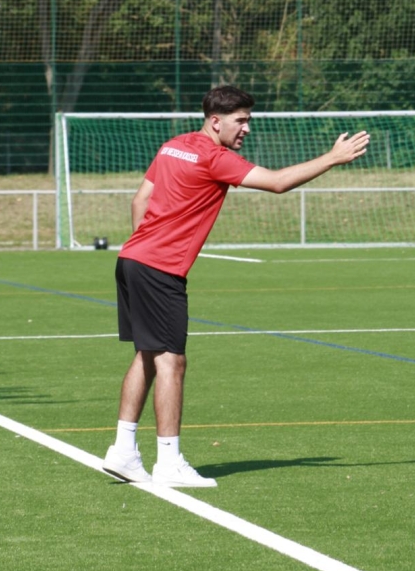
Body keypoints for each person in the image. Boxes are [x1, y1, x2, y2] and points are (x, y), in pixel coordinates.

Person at [101, 85, 370, 489]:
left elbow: (140, 201)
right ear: (216, 121)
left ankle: (123, 452)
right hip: (158, 268)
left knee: (148, 355)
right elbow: (277, 182)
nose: (246, 128)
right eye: (240, 121)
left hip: (132, 260)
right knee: (172, 361)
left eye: (248, 120)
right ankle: (168, 462)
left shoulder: (173, 146)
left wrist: (147, 244)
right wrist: (332, 158)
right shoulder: (215, 157)